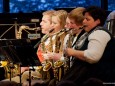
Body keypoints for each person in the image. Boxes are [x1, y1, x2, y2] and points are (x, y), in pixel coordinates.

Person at [59, 6, 113, 86]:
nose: (83, 22)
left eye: (87, 19)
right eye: (84, 19)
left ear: (97, 21)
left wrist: (73, 52)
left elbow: (93, 56)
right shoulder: (90, 33)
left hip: (95, 79)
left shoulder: (99, 33)